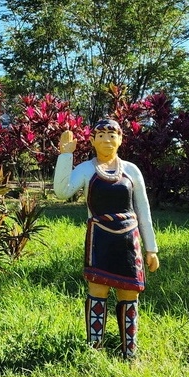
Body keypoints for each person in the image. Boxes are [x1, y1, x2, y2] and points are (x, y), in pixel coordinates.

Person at [53, 118, 160, 359]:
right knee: (98, 290)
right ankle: (94, 350)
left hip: (128, 242)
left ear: (121, 139)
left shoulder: (132, 171)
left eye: (112, 135)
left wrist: (151, 248)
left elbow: (143, 210)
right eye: (101, 136)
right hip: (99, 239)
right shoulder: (85, 169)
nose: (107, 140)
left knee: (129, 293)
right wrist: (65, 156)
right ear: (92, 141)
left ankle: (129, 352)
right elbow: (62, 192)